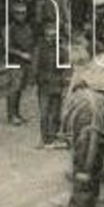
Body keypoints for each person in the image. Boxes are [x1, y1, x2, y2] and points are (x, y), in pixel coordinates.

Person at [32, 15, 70, 149]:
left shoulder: (62, 49)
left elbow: (67, 66)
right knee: (44, 113)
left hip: (57, 84)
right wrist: (37, 80)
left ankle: (53, 137)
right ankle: (44, 138)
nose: (51, 38)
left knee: (55, 113)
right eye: (49, 35)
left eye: (54, 35)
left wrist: (65, 79)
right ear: (45, 35)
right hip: (45, 85)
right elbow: (35, 67)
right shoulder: (39, 49)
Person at [2, 2, 32, 125]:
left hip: (26, 61)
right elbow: (8, 47)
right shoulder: (9, 28)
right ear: (13, 14)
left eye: (23, 13)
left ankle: (17, 113)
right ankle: (11, 116)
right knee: (13, 88)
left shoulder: (27, 27)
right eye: (18, 13)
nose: (21, 15)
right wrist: (21, 54)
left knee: (20, 88)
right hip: (14, 61)